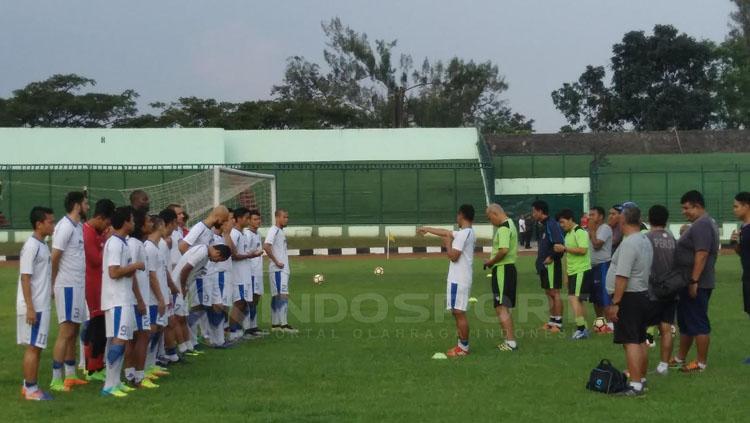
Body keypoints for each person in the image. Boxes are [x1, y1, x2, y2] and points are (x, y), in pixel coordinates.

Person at [605, 204, 653, 397]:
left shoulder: (629, 243)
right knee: (640, 339)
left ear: (623, 220)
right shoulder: (644, 240)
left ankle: (634, 385)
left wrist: (615, 303)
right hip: (641, 294)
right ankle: (640, 378)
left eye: (616, 215)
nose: (614, 217)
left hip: (629, 297)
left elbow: (622, 276)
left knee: (630, 341)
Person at [418, 204, 477, 357]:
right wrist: (428, 229)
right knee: (457, 312)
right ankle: (461, 346)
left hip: (459, 279)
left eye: (457, 216)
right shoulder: (467, 232)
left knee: (458, 313)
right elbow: (446, 232)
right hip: (461, 278)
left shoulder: (464, 234)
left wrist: (447, 245)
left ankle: (463, 348)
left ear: (461, 215)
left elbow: (453, 256)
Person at [672, 190, 719, 373]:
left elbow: (702, 253)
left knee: (698, 322)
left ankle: (700, 363)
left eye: (687, 208)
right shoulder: (702, 224)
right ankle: (680, 358)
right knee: (686, 322)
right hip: (689, 281)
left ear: (698, 206)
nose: (684, 212)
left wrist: (693, 280)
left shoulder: (702, 225)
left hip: (697, 283)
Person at [101, 206, 144, 398]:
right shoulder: (116, 244)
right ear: (126, 222)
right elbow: (114, 272)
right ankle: (109, 385)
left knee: (120, 340)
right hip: (117, 299)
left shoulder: (122, 243)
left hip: (123, 298)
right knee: (118, 342)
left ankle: (115, 381)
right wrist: (135, 265)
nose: (134, 223)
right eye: (132, 220)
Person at [50, 191, 90, 392]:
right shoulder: (64, 227)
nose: (88, 206)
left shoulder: (79, 226)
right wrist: (51, 283)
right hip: (66, 286)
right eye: (85, 203)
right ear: (76, 205)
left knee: (73, 331)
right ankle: (56, 379)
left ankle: (71, 375)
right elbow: (55, 257)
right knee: (65, 332)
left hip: (78, 286)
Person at [17, 206, 56, 400]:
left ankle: (28, 386)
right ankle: (31, 390)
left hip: (41, 303)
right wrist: (30, 307)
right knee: (33, 346)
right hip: (34, 306)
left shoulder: (42, 245)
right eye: (50, 221)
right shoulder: (32, 246)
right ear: (39, 224)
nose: (53, 225)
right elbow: (25, 278)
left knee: (38, 346)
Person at [82, 199, 115, 382]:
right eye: (107, 223)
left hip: (100, 284)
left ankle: (94, 365)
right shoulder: (87, 233)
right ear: (101, 218)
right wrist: (107, 240)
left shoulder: (96, 232)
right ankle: (93, 367)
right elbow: (95, 260)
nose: (107, 227)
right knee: (98, 326)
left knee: (99, 326)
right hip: (93, 285)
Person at [125, 208, 158, 389]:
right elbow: (130, 273)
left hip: (137, 298)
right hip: (136, 299)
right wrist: (139, 299)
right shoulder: (135, 245)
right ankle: (138, 376)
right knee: (142, 335)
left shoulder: (139, 244)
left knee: (135, 336)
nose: (151, 223)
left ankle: (132, 375)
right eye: (147, 220)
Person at [645, 205, 677, 375]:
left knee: (640, 328)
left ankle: (638, 368)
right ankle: (663, 366)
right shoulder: (672, 238)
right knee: (666, 328)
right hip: (671, 289)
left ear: (649, 218)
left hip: (652, 290)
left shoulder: (647, 238)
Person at [483, 204, 518, 352]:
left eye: (489, 218)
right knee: (504, 306)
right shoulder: (511, 224)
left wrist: (490, 262)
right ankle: (509, 340)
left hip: (503, 269)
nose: (490, 221)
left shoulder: (503, 228)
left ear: (495, 213)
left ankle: (510, 342)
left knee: (500, 306)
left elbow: (503, 250)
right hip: (509, 269)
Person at [555, 209, 593, 340]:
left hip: (581, 271)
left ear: (570, 219)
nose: (561, 225)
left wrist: (564, 248)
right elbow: (568, 256)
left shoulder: (580, 232)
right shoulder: (568, 234)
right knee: (579, 301)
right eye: (560, 223)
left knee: (574, 299)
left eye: (563, 222)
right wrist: (566, 275)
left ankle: (581, 329)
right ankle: (584, 327)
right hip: (573, 272)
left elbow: (583, 250)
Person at [531, 200, 565, 332]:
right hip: (543, 265)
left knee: (554, 292)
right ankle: (551, 321)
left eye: (534, 211)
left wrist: (551, 257)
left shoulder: (552, 225)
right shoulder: (542, 225)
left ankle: (558, 323)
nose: (533, 214)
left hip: (551, 264)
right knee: (548, 292)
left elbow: (559, 244)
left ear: (540, 211)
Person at [144, 216, 170, 379]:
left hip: (160, 295)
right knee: (151, 331)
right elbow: (151, 276)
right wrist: (160, 297)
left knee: (159, 329)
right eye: (164, 225)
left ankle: (151, 364)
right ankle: (145, 366)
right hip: (152, 298)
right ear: (159, 226)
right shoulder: (149, 247)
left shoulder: (157, 246)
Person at [264, 209, 297, 333]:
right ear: (277, 217)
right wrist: (276, 261)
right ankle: (284, 325)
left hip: (281, 269)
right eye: (284, 217)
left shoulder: (280, 231)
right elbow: (266, 246)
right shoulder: (274, 230)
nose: (286, 219)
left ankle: (275, 324)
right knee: (283, 295)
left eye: (287, 217)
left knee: (277, 295)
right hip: (278, 269)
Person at [731, 192, 750, 364]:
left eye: (736, 206)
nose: (734, 209)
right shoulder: (744, 228)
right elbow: (741, 253)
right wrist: (736, 243)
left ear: (746, 206)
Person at [588, 206, 613, 332]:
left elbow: (597, 245)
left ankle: (611, 324)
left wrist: (592, 231)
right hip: (592, 266)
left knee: (605, 295)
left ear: (601, 216)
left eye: (593, 215)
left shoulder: (605, 228)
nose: (590, 217)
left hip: (603, 265)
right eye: (589, 215)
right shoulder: (591, 229)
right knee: (595, 297)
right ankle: (600, 322)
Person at [244, 209, 266, 337]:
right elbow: (245, 253)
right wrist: (255, 254)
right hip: (250, 272)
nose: (258, 221)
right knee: (250, 300)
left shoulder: (257, 234)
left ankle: (253, 326)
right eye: (255, 219)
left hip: (258, 272)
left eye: (259, 219)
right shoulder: (247, 235)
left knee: (256, 299)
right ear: (248, 221)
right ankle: (247, 328)